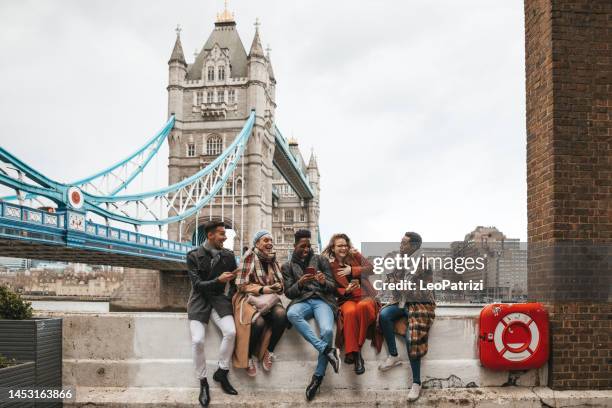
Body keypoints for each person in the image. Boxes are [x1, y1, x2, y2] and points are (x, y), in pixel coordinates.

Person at [282, 229, 341, 401]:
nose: (306, 249)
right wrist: (299, 283)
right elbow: (289, 293)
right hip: (302, 302)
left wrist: (324, 281)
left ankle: (318, 377)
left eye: (309, 245)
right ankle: (328, 350)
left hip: (322, 300)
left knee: (327, 332)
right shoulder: (287, 267)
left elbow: (333, 287)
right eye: (303, 246)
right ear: (295, 246)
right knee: (292, 314)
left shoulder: (321, 260)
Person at [186, 220, 239, 407]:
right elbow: (197, 285)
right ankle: (203, 383)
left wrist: (229, 298)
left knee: (231, 332)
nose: (226, 237)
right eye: (222, 234)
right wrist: (218, 280)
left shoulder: (229, 256)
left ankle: (222, 372)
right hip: (199, 300)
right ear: (210, 235)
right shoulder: (192, 256)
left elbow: (234, 285)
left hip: (218, 300)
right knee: (198, 340)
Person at [377, 232, 436, 402]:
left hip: (421, 303)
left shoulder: (423, 262)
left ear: (414, 246)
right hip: (403, 302)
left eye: (404, 244)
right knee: (384, 315)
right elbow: (393, 282)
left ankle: (417, 382)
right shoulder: (401, 259)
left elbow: (423, 292)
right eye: (401, 243)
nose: (400, 246)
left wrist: (401, 286)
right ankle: (394, 355)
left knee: (412, 338)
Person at [322, 233, 381, 375]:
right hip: (347, 299)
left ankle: (355, 350)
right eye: (339, 245)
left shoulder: (355, 257)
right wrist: (345, 290)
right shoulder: (330, 266)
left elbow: (372, 268)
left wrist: (352, 270)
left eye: (345, 245)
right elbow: (331, 288)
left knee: (363, 307)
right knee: (349, 313)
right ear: (333, 248)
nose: (343, 248)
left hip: (365, 296)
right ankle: (358, 355)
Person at [232, 230, 287, 377]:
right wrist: (263, 289)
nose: (269, 243)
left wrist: (278, 286)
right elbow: (241, 285)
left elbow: (281, 283)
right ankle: (248, 357)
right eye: (265, 240)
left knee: (282, 315)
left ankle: (269, 351)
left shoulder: (273, 259)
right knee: (259, 323)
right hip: (248, 297)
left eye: (271, 240)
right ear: (257, 243)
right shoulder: (249, 257)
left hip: (269, 298)